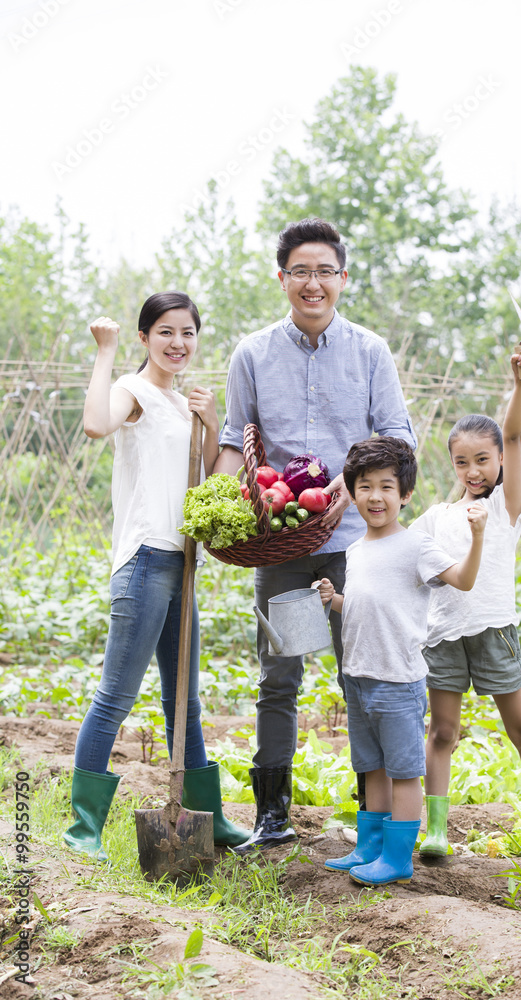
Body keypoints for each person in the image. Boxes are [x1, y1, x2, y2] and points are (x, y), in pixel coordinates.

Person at [214, 219, 417, 851]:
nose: (313, 283)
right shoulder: (252, 354)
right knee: (281, 674)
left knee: (363, 673)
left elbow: (399, 437)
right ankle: (273, 813)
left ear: (342, 279)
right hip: (284, 548)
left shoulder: (369, 352)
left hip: (355, 545)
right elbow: (233, 443)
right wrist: (219, 508)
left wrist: (349, 483)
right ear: (282, 279)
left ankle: (373, 814)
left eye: (325, 271)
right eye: (301, 271)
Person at [63, 292, 248, 861]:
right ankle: (83, 827)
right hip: (145, 559)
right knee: (116, 695)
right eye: (165, 332)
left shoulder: (183, 404)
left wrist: (215, 424)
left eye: (188, 333)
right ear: (146, 337)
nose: (178, 343)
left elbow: (215, 484)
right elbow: (96, 425)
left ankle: (208, 818)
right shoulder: (135, 391)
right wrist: (105, 352)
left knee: (183, 703)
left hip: (183, 564)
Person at [410, 343, 521, 856]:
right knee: (443, 732)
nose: (473, 470)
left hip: (495, 630)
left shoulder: (506, 505)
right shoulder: (435, 516)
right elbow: (408, 563)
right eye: (463, 461)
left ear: (500, 459)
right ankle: (435, 831)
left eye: (484, 459)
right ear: (451, 463)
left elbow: (518, 432)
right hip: (443, 638)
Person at [318, 437, 487, 886]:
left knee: (404, 771)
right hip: (357, 676)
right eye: (366, 486)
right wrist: (335, 599)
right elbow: (362, 605)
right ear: (352, 493)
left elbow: (463, 581)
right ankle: (370, 847)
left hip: (397, 680)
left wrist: (477, 537)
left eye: (387, 486)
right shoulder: (355, 551)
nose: (376, 496)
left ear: (405, 494)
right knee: (370, 766)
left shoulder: (416, 546)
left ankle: (397, 856)